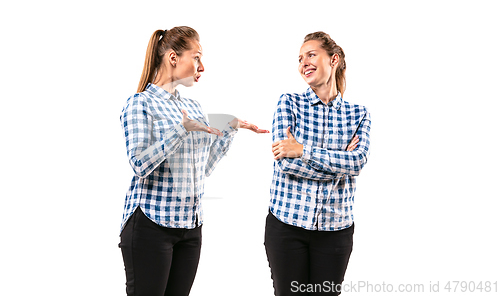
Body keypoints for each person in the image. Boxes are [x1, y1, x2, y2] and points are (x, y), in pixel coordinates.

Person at [118, 26, 268, 296]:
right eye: (196, 57)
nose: (202, 66)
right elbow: (139, 164)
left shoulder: (195, 107)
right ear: (173, 58)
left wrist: (229, 129)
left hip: (190, 227)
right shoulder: (140, 104)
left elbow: (204, 167)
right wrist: (181, 129)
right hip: (151, 225)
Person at [265, 31, 371, 296]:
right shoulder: (289, 103)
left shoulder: (358, 114)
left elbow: (357, 162)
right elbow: (286, 165)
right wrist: (339, 165)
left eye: (311, 55)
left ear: (333, 59)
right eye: (300, 58)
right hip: (287, 226)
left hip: (336, 230)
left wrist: (302, 151)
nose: (304, 63)